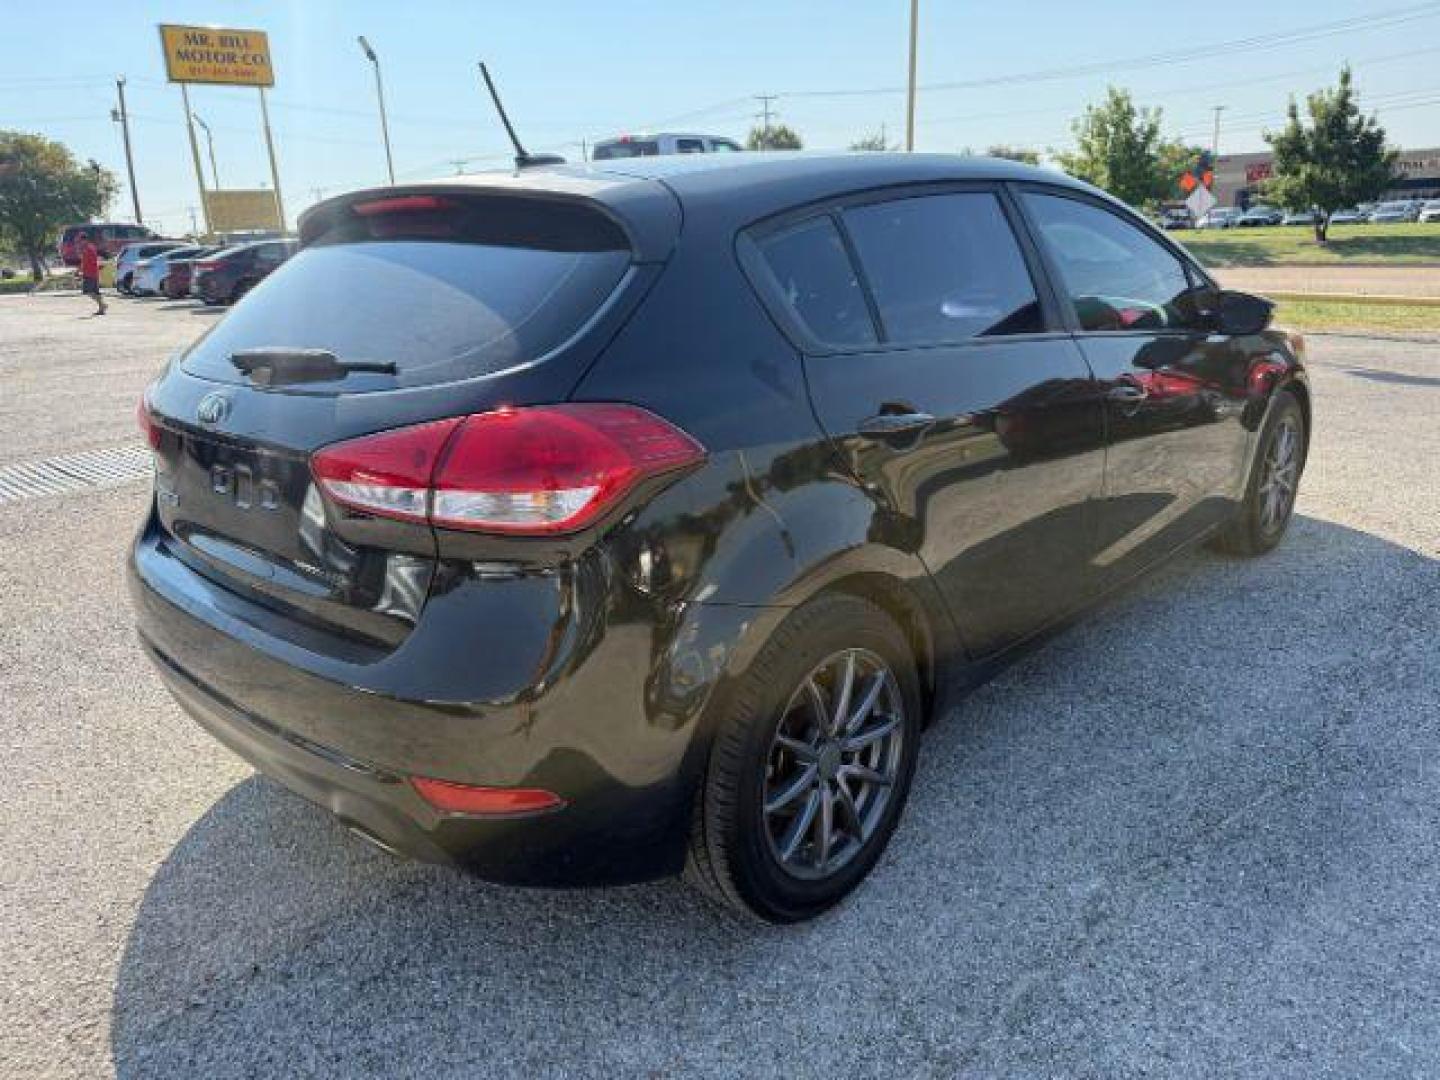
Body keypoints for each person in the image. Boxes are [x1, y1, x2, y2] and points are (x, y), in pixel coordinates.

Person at [78, 232, 106, 315]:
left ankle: (102, 305)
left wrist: (80, 271)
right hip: (93, 272)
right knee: (95, 292)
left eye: (80, 241)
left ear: (84, 240)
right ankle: (102, 308)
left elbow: (85, 262)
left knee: (88, 292)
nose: (80, 243)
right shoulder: (91, 247)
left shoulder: (87, 249)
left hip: (89, 273)